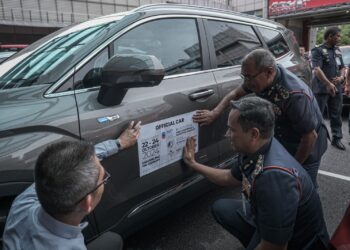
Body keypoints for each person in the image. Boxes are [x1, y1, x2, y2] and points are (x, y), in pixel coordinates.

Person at [183, 96, 329, 250]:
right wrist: (194, 164)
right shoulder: (259, 146)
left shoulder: (275, 177)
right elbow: (229, 177)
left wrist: (267, 242)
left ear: (254, 134)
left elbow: (275, 247)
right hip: (269, 221)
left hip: (298, 244)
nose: (227, 135)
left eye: (232, 130)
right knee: (221, 208)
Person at [193, 48, 327, 187]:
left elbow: (310, 137)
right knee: (278, 185)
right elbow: (235, 94)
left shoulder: (294, 95)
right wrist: (215, 113)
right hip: (283, 137)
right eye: (244, 76)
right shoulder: (259, 77)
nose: (247, 82)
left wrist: (292, 169)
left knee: (301, 185)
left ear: (269, 72)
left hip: (307, 145)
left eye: (249, 77)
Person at [2, 121, 141, 250]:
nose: (104, 180)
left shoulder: (23, 202)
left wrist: (118, 143)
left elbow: (68, 165)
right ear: (88, 202)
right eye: (103, 178)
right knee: (113, 240)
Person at [311, 26, 346, 150]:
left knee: (336, 114)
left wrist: (341, 78)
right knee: (317, 115)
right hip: (321, 89)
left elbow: (342, 67)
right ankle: (314, 140)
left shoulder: (337, 50)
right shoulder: (317, 50)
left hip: (336, 88)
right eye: (337, 36)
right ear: (330, 36)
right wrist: (327, 83)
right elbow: (317, 69)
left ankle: (337, 139)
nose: (339, 38)